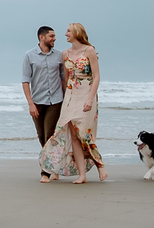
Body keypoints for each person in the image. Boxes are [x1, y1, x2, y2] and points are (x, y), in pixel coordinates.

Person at [38, 23, 108, 183]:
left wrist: (90, 98)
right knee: (70, 135)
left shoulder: (89, 51)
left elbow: (96, 77)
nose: (65, 34)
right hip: (71, 95)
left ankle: (100, 164)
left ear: (77, 32)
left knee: (83, 133)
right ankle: (81, 175)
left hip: (86, 93)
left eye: (68, 31)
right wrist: (65, 99)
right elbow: (67, 78)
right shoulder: (65, 53)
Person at [21, 26, 64, 182]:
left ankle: (45, 172)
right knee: (41, 136)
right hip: (37, 101)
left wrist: (67, 100)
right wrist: (30, 104)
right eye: (51, 36)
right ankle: (54, 165)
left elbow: (63, 78)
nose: (54, 38)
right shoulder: (29, 55)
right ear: (42, 37)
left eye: (54, 36)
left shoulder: (60, 56)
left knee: (49, 135)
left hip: (55, 101)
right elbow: (25, 81)